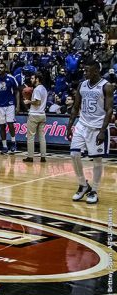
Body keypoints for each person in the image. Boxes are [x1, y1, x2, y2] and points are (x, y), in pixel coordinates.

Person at [66, 59, 114, 204]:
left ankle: (95, 190)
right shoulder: (82, 85)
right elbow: (75, 106)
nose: (85, 73)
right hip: (82, 124)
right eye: (84, 70)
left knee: (97, 160)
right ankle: (83, 185)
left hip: (97, 127)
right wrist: (69, 125)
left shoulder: (106, 86)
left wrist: (102, 131)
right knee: (74, 154)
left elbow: (109, 109)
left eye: (88, 70)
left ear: (96, 71)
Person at [0, 62, 20, 154]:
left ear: (5, 68)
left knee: (10, 124)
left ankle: (13, 143)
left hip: (10, 104)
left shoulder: (11, 78)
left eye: (2, 67)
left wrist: (17, 105)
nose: (0, 69)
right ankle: (4, 146)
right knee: (2, 126)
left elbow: (17, 92)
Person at [23, 72, 48, 163]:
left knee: (30, 137)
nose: (31, 80)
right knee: (42, 137)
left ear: (37, 79)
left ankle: (30, 157)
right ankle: (43, 157)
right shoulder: (44, 89)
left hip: (34, 114)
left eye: (33, 78)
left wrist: (29, 101)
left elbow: (37, 102)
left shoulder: (37, 89)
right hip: (42, 114)